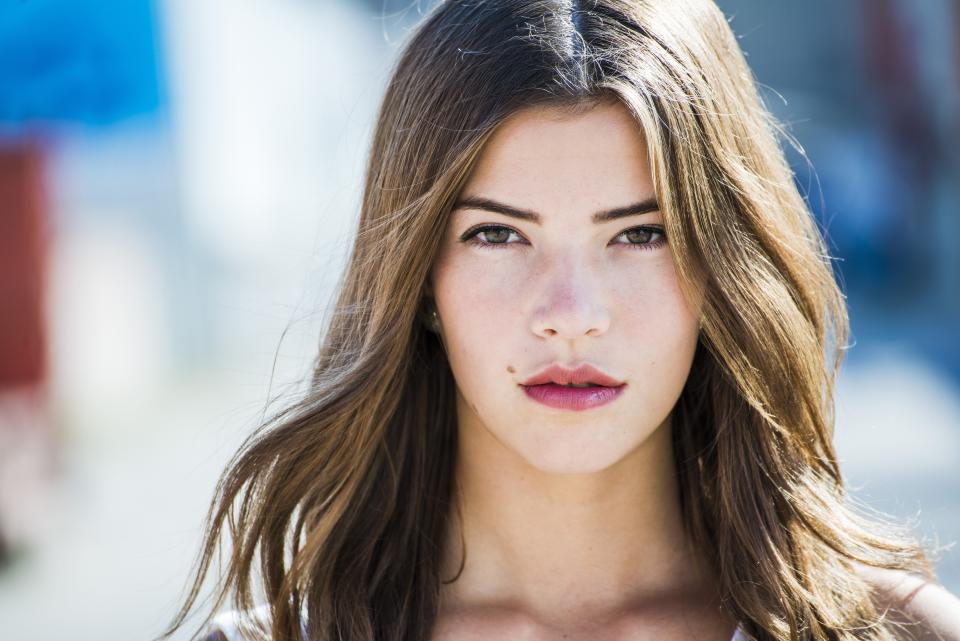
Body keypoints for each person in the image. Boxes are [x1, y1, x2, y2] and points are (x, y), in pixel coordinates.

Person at [157, 1, 960, 640]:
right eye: (499, 234)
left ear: (720, 268)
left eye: (641, 234)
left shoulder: (892, 633)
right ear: (420, 280)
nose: (571, 316)